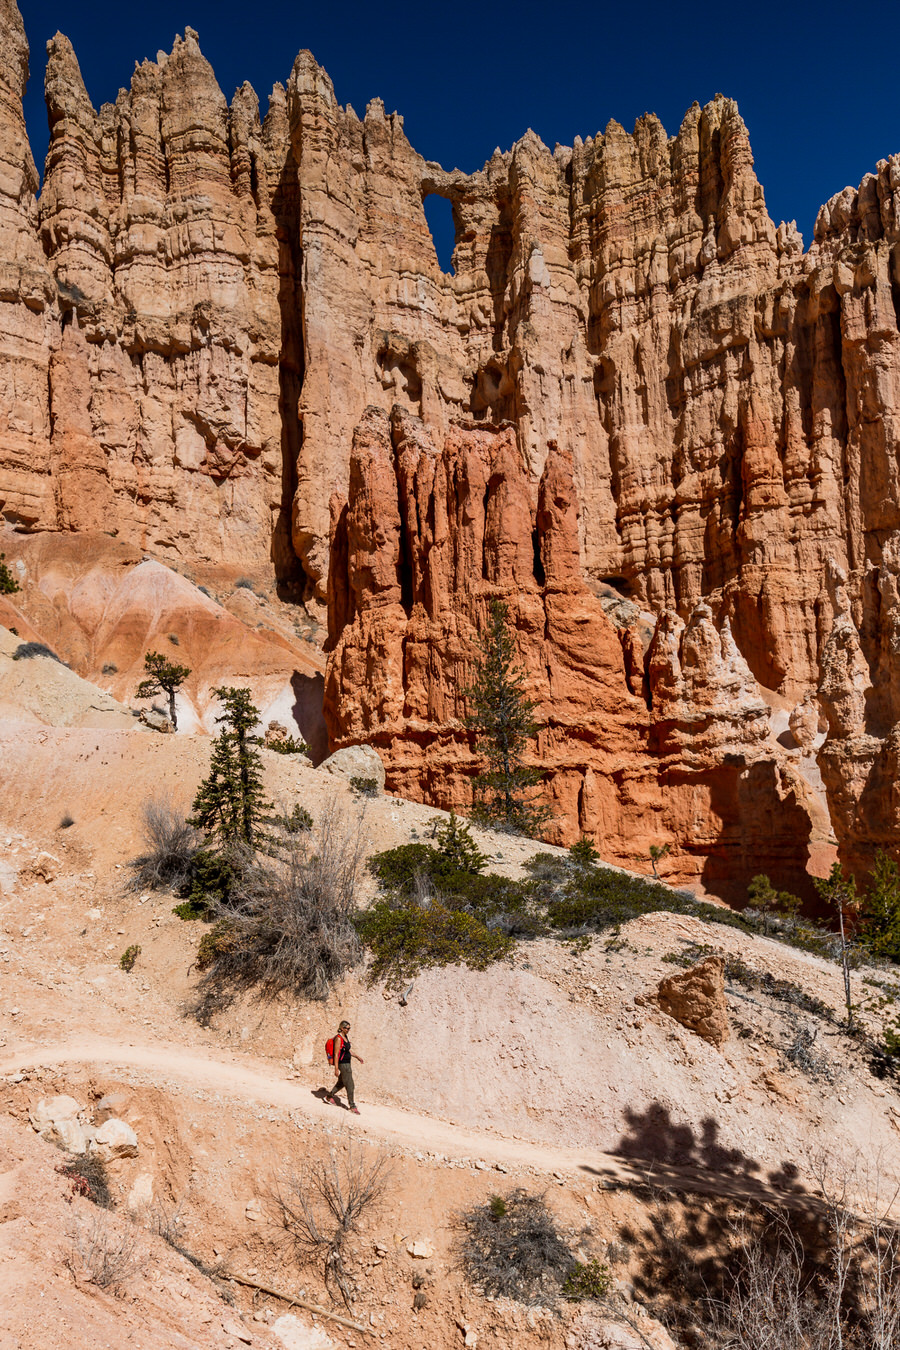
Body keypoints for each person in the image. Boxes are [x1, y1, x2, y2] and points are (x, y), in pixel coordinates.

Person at [326, 1020, 364, 1114]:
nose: (348, 1030)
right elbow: (336, 1054)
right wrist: (336, 1069)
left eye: (349, 1028)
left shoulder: (345, 1037)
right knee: (350, 1085)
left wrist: (357, 1057)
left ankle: (329, 1096)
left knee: (342, 1082)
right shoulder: (338, 1038)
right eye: (347, 1028)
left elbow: (348, 1051)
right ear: (342, 1028)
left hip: (348, 1063)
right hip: (343, 1064)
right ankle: (352, 1106)